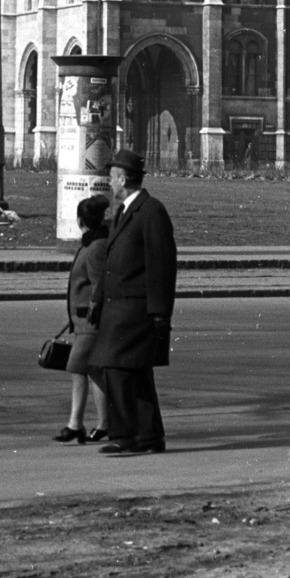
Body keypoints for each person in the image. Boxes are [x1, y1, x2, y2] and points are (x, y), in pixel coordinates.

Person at [88, 148, 176, 456]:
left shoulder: (151, 211)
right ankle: (147, 436)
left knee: (119, 370)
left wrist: (160, 313)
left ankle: (127, 436)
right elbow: (112, 262)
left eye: (111, 177)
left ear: (123, 179)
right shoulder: (125, 211)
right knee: (131, 373)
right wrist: (97, 300)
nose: (108, 182)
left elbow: (161, 263)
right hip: (118, 308)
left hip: (136, 310)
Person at [53, 193, 111, 444]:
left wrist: (93, 311)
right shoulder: (91, 243)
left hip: (90, 321)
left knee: (76, 366)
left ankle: (76, 424)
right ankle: (104, 424)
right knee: (92, 371)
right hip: (81, 320)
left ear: (79, 221)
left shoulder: (95, 246)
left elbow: (99, 284)